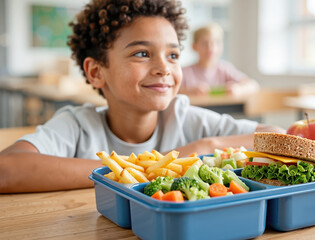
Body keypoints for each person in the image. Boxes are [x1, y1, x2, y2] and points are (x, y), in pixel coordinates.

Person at [0, 0, 284, 193]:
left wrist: (207, 144)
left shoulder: (185, 117)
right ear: (97, 72)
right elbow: (7, 169)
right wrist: (140, 168)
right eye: (142, 54)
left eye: (173, 55)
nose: (164, 68)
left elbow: (277, 135)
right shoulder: (78, 125)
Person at [179, 23, 259, 96]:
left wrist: (239, 89)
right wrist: (189, 91)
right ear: (194, 46)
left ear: (222, 46)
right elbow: (172, 92)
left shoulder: (225, 69)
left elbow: (254, 85)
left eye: (216, 42)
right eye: (205, 43)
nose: (211, 48)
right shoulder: (185, 72)